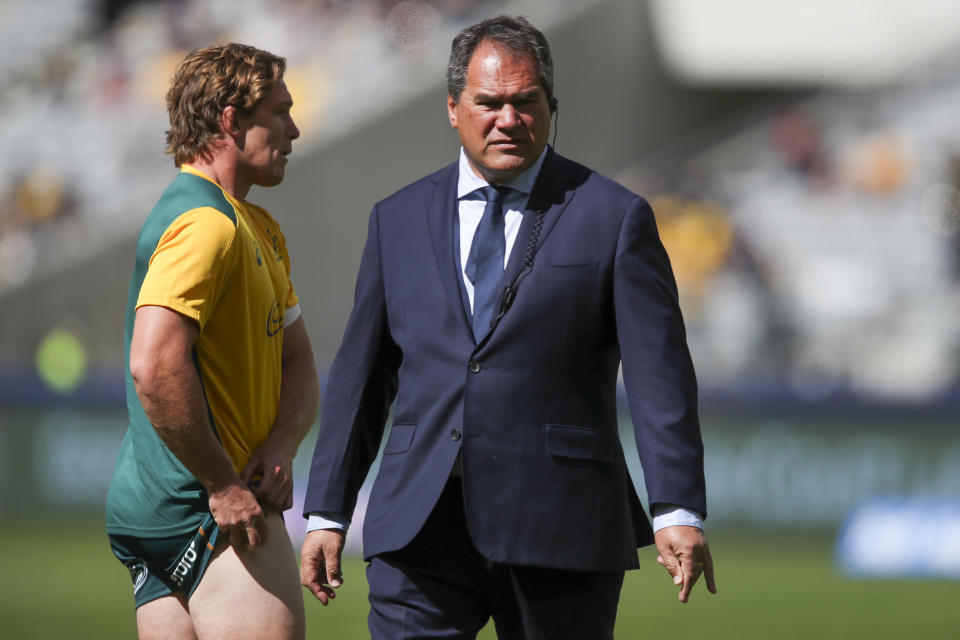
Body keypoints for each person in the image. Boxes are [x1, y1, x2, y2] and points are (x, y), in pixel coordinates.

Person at [300, 15, 716, 639]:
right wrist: (327, 512)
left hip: (561, 527)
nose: (507, 118)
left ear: (551, 106)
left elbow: (661, 377)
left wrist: (676, 508)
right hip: (419, 528)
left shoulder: (615, 217)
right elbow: (363, 377)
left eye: (526, 103)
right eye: (488, 102)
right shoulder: (397, 219)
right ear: (452, 108)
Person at [105, 43, 319, 640]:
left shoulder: (255, 225)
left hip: (179, 506)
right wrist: (223, 485)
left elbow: (298, 360)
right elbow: (153, 365)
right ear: (231, 120)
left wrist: (281, 440)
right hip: (211, 512)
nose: (294, 128)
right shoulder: (205, 225)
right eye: (280, 112)